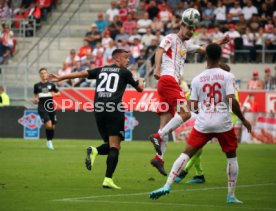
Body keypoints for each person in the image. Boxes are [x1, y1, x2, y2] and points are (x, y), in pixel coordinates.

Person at [149, 43, 252, 203]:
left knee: (186, 153)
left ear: (205, 57)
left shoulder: (198, 79)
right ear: (220, 56)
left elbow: (194, 105)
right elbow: (232, 101)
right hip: (223, 122)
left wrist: (190, 109)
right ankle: (231, 196)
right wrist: (244, 120)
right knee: (231, 157)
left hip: (204, 122)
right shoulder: (227, 76)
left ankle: (167, 185)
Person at [48, 49, 144, 189]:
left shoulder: (101, 70)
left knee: (111, 144)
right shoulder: (125, 73)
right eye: (125, 58)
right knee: (115, 146)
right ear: (116, 59)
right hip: (113, 109)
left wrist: (60, 78)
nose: (128, 60)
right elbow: (140, 89)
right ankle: (107, 179)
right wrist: (140, 79)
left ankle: (95, 151)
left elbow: (81, 73)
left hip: (98, 109)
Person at [148, 15, 230, 176]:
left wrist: (219, 42)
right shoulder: (171, 37)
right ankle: (158, 136)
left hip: (169, 84)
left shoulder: (186, 45)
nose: (191, 31)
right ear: (182, 25)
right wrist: (157, 68)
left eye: (193, 29)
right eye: (189, 28)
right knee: (185, 113)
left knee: (165, 123)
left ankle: (159, 158)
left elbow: (204, 49)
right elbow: (159, 50)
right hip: (168, 80)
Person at [175, 63, 240, 185]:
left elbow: (234, 105)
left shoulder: (227, 85)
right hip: (214, 119)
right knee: (197, 148)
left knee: (197, 148)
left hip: (223, 122)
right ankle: (198, 175)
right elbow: (188, 97)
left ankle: (184, 171)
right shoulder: (225, 84)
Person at [32, 68, 60, 150]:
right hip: (42, 107)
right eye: (42, 73)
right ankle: (49, 142)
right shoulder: (37, 85)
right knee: (49, 124)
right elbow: (35, 96)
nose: (43, 74)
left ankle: (49, 141)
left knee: (52, 126)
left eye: (45, 73)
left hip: (51, 107)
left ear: (47, 74)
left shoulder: (52, 85)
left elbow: (59, 93)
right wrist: (35, 100)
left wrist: (54, 93)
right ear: (40, 75)